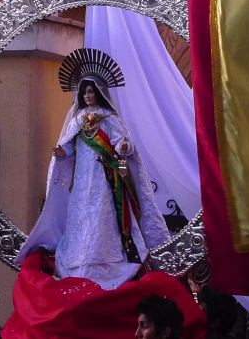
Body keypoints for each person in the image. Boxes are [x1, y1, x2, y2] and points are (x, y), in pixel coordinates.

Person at [18, 49, 171, 290]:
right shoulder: (77, 120)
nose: (88, 95)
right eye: (84, 91)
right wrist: (62, 153)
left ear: (99, 93)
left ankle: (108, 260)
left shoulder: (109, 117)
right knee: (81, 212)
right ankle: (79, 261)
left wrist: (122, 146)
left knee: (103, 212)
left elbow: (125, 144)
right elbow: (70, 146)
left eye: (91, 91)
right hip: (82, 177)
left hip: (104, 176)